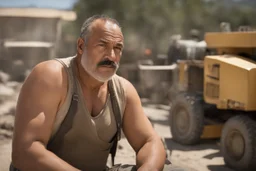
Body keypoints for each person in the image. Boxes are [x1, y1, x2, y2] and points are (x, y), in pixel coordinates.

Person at [11, 15, 167, 171]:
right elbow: (25, 151)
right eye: (102, 45)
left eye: (117, 48)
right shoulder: (52, 76)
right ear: (80, 46)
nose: (111, 56)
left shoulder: (123, 90)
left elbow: (150, 141)